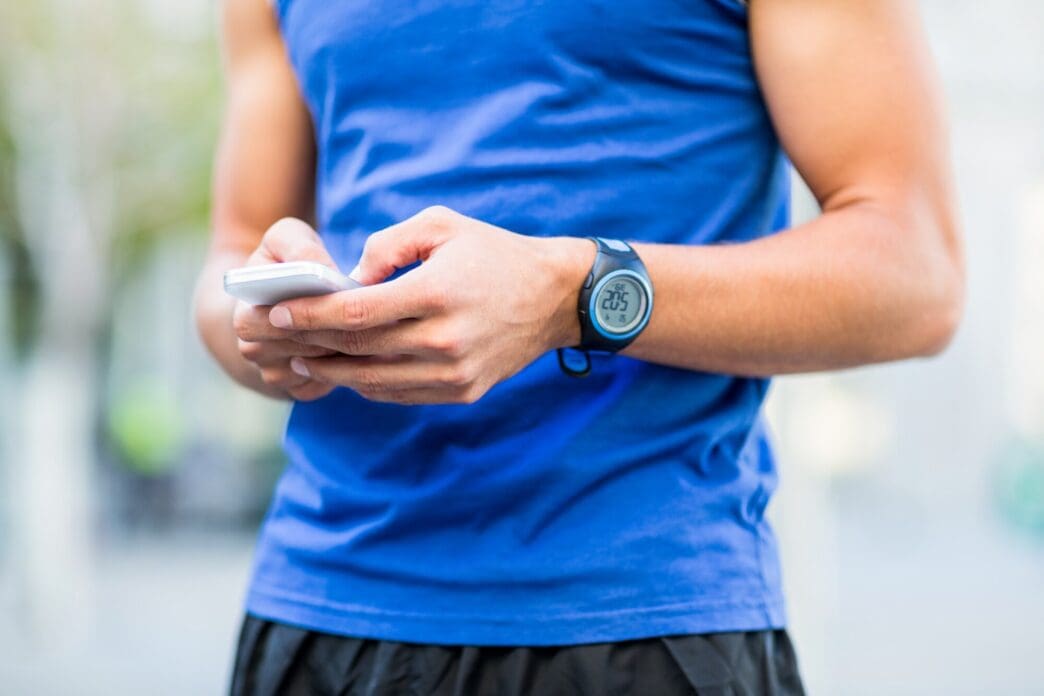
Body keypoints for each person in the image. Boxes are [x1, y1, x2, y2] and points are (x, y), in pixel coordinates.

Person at [195, 0, 963, 693]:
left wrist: (570, 294)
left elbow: (914, 271)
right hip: (318, 612)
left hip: (642, 625)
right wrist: (272, 327)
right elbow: (232, 251)